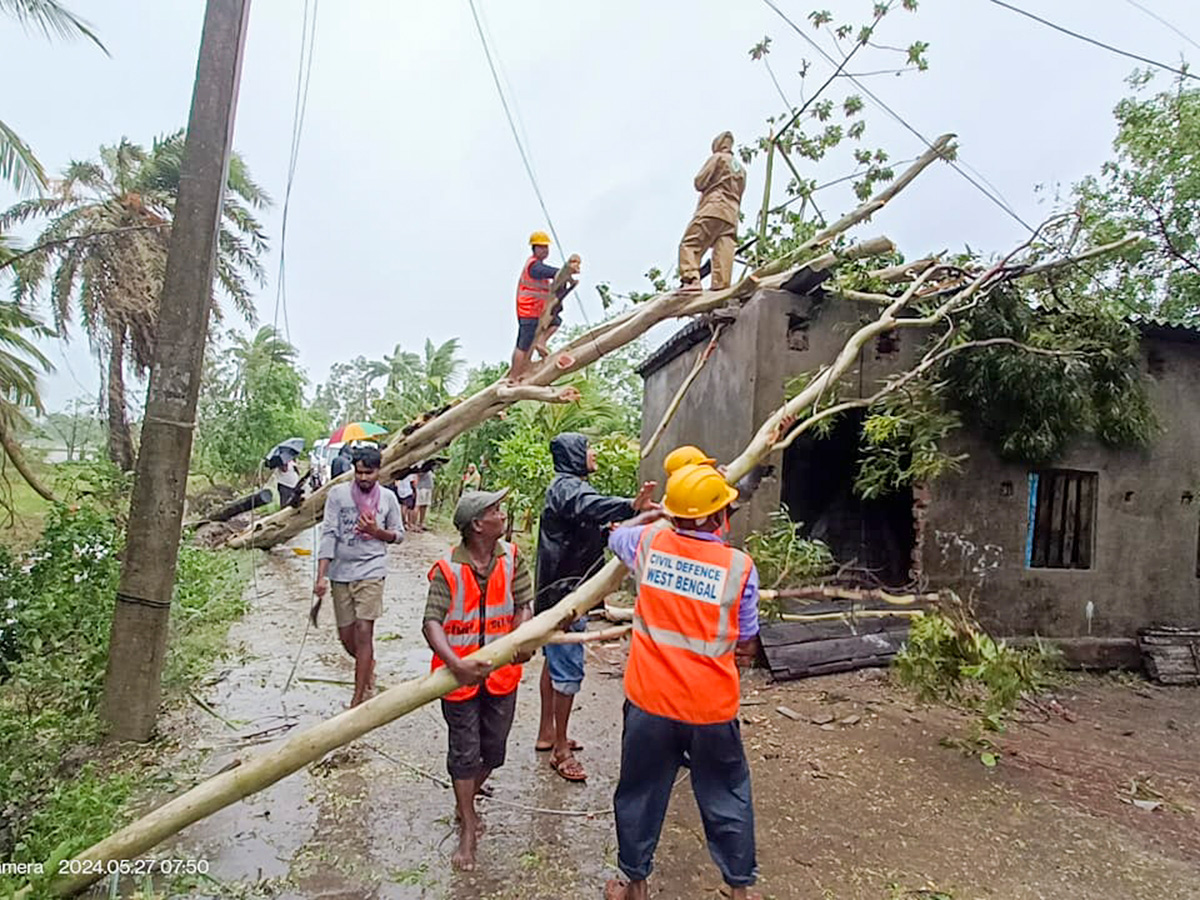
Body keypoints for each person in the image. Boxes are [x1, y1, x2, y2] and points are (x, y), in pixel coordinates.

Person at [603, 461, 762, 900]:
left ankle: (634, 884)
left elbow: (615, 535)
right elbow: (747, 638)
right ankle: (740, 891)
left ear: (674, 513)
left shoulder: (648, 541)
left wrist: (649, 515)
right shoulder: (739, 567)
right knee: (726, 797)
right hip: (710, 708)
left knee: (639, 794)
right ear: (716, 517)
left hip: (649, 701)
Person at [534, 433, 657, 782]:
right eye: (588, 449)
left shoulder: (567, 490)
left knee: (554, 662)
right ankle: (561, 750)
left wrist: (616, 527)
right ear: (574, 455)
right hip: (567, 594)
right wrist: (632, 506)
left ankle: (548, 732)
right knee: (568, 669)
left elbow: (588, 520)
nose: (594, 454)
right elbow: (590, 505)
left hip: (559, 589)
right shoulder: (568, 488)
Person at [423, 488, 534, 871]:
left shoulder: (513, 558)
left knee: (494, 751)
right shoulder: (447, 569)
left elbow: (524, 604)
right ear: (477, 525)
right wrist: (456, 664)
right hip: (457, 680)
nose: (502, 515)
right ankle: (468, 824)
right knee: (464, 752)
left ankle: (463, 800)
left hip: (502, 675)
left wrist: (521, 637)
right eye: (495, 511)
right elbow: (431, 622)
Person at [313, 446, 404, 707]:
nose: (363, 478)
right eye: (359, 472)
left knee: (365, 631)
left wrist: (377, 531)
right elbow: (329, 533)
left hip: (372, 570)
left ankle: (358, 697)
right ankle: (368, 665)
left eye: (369, 473)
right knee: (346, 637)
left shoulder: (388, 498)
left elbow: (398, 535)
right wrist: (321, 576)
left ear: (379, 472)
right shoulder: (338, 495)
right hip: (341, 572)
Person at [506, 231, 580, 382]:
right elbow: (551, 272)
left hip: (539, 311)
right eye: (542, 247)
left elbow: (554, 282)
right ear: (535, 248)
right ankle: (513, 376)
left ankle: (540, 343)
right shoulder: (533, 266)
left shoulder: (538, 266)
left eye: (546, 247)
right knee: (523, 345)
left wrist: (567, 280)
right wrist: (566, 271)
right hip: (528, 311)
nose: (545, 250)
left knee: (556, 322)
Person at [678, 131, 747, 292]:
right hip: (731, 216)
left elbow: (699, 182)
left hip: (713, 207)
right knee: (723, 250)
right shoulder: (742, 170)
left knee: (690, 244)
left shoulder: (718, 158)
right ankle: (721, 289)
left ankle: (691, 280)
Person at [415, 466, 434, 532]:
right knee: (418, 505)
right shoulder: (420, 463)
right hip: (421, 487)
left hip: (428, 486)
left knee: (424, 505)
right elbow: (418, 473)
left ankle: (421, 523)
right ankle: (414, 524)